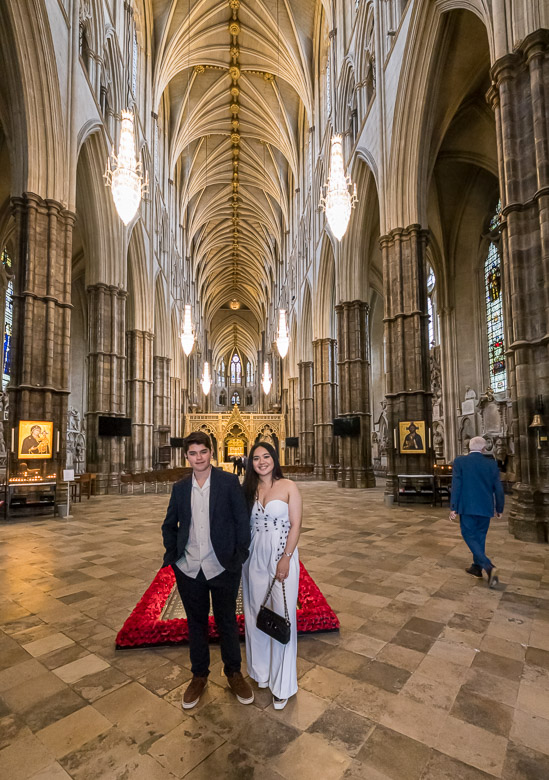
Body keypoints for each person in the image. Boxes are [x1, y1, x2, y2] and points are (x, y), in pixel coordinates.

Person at [161, 431, 253, 709]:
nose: (198, 458)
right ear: (186, 456)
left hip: (222, 566)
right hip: (189, 568)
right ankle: (199, 675)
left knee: (226, 621)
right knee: (196, 623)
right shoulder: (179, 487)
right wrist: (174, 556)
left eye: (203, 452)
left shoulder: (228, 482)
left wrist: (238, 557)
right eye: (193, 453)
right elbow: (169, 525)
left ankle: (234, 672)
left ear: (211, 453)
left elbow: (242, 522)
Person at [241, 442, 302, 710]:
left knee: (283, 614)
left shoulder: (288, 486)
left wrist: (286, 558)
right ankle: (261, 673)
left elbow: (296, 525)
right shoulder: (249, 489)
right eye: (256, 458)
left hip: (281, 556)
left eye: (266, 456)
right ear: (250, 463)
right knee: (256, 612)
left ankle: (282, 684)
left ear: (274, 459)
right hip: (254, 556)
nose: (262, 461)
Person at [450, 435, 504, 588]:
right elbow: (498, 489)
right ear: (484, 448)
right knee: (480, 536)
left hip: (467, 506)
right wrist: (499, 508)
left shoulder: (460, 462)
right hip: (485, 507)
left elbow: (457, 485)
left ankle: (488, 567)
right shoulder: (491, 464)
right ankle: (476, 567)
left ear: (469, 447)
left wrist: (453, 507)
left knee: (468, 534)